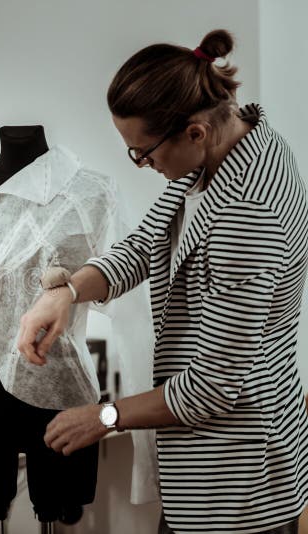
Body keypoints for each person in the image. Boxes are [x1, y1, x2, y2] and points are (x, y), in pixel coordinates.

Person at [16, 29, 308, 534]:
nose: (144, 164)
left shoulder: (246, 215)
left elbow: (210, 388)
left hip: (235, 484)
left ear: (194, 132)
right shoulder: (230, 143)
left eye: (144, 153)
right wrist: (66, 291)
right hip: (201, 473)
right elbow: (144, 243)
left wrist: (103, 418)